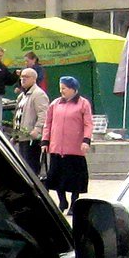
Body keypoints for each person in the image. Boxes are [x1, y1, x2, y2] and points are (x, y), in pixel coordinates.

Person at [42, 76, 93, 213]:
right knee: (57, 176)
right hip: (57, 148)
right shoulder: (55, 104)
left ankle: (74, 202)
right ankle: (62, 200)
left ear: (72, 89)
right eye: (60, 88)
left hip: (74, 148)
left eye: (64, 88)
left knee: (74, 178)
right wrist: (45, 141)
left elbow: (88, 124)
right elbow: (48, 124)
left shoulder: (83, 104)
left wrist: (86, 140)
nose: (61, 91)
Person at [13, 67, 51, 174]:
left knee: (32, 168)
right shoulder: (21, 96)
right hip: (22, 138)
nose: (23, 79)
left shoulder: (38, 94)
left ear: (34, 79)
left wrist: (37, 129)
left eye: (26, 77)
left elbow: (44, 114)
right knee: (24, 168)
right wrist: (15, 135)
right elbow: (18, 116)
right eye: (22, 77)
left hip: (32, 139)